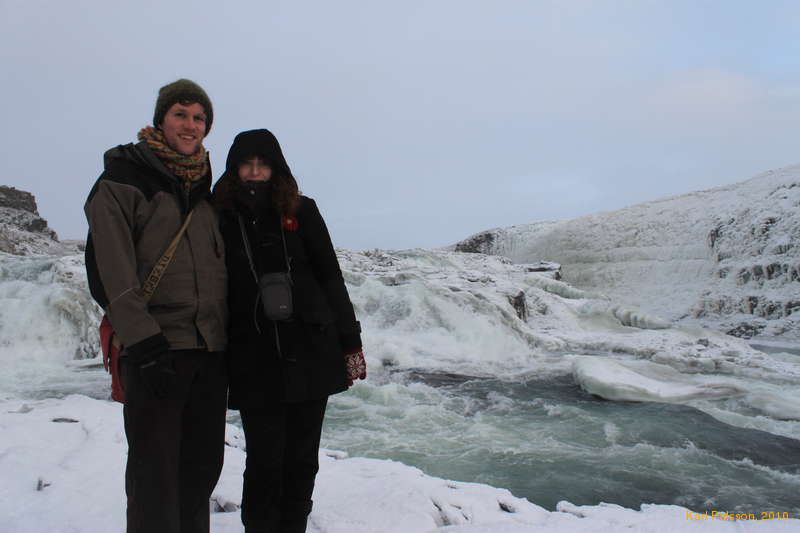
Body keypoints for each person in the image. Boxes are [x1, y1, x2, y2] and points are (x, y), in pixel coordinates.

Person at [84, 79, 228, 533]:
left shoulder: (206, 190)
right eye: (180, 114)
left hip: (208, 351)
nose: (190, 125)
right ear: (161, 119)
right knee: (154, 475)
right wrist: (145, 343)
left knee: (201, 468)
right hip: (155, 352)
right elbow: (111, 271)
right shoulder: (121, 181)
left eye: (199, 117)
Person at [212, 129, 367, 533]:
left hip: (312, 349)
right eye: (247, 163)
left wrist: (350, 342)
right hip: (252, 353)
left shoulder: (303, 210)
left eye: (263, 163)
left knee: (302, 458)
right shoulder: (218, 215)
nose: (255, 171)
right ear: (234, 167)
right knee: (265, 458)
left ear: (276, 166)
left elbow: (330, 277)